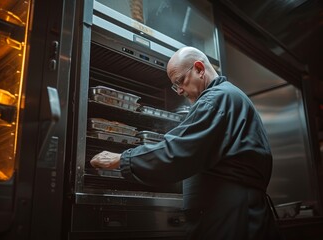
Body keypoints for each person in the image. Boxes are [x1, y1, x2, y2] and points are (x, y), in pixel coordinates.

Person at [90, 46, 283, 240]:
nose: (179, 90)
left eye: (180, 81)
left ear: (199, 69)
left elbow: (179, 150)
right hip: (234, 210)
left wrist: (122, 159)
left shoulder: (216, 99)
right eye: (175, 86)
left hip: (233, 215)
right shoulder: (228, 97)